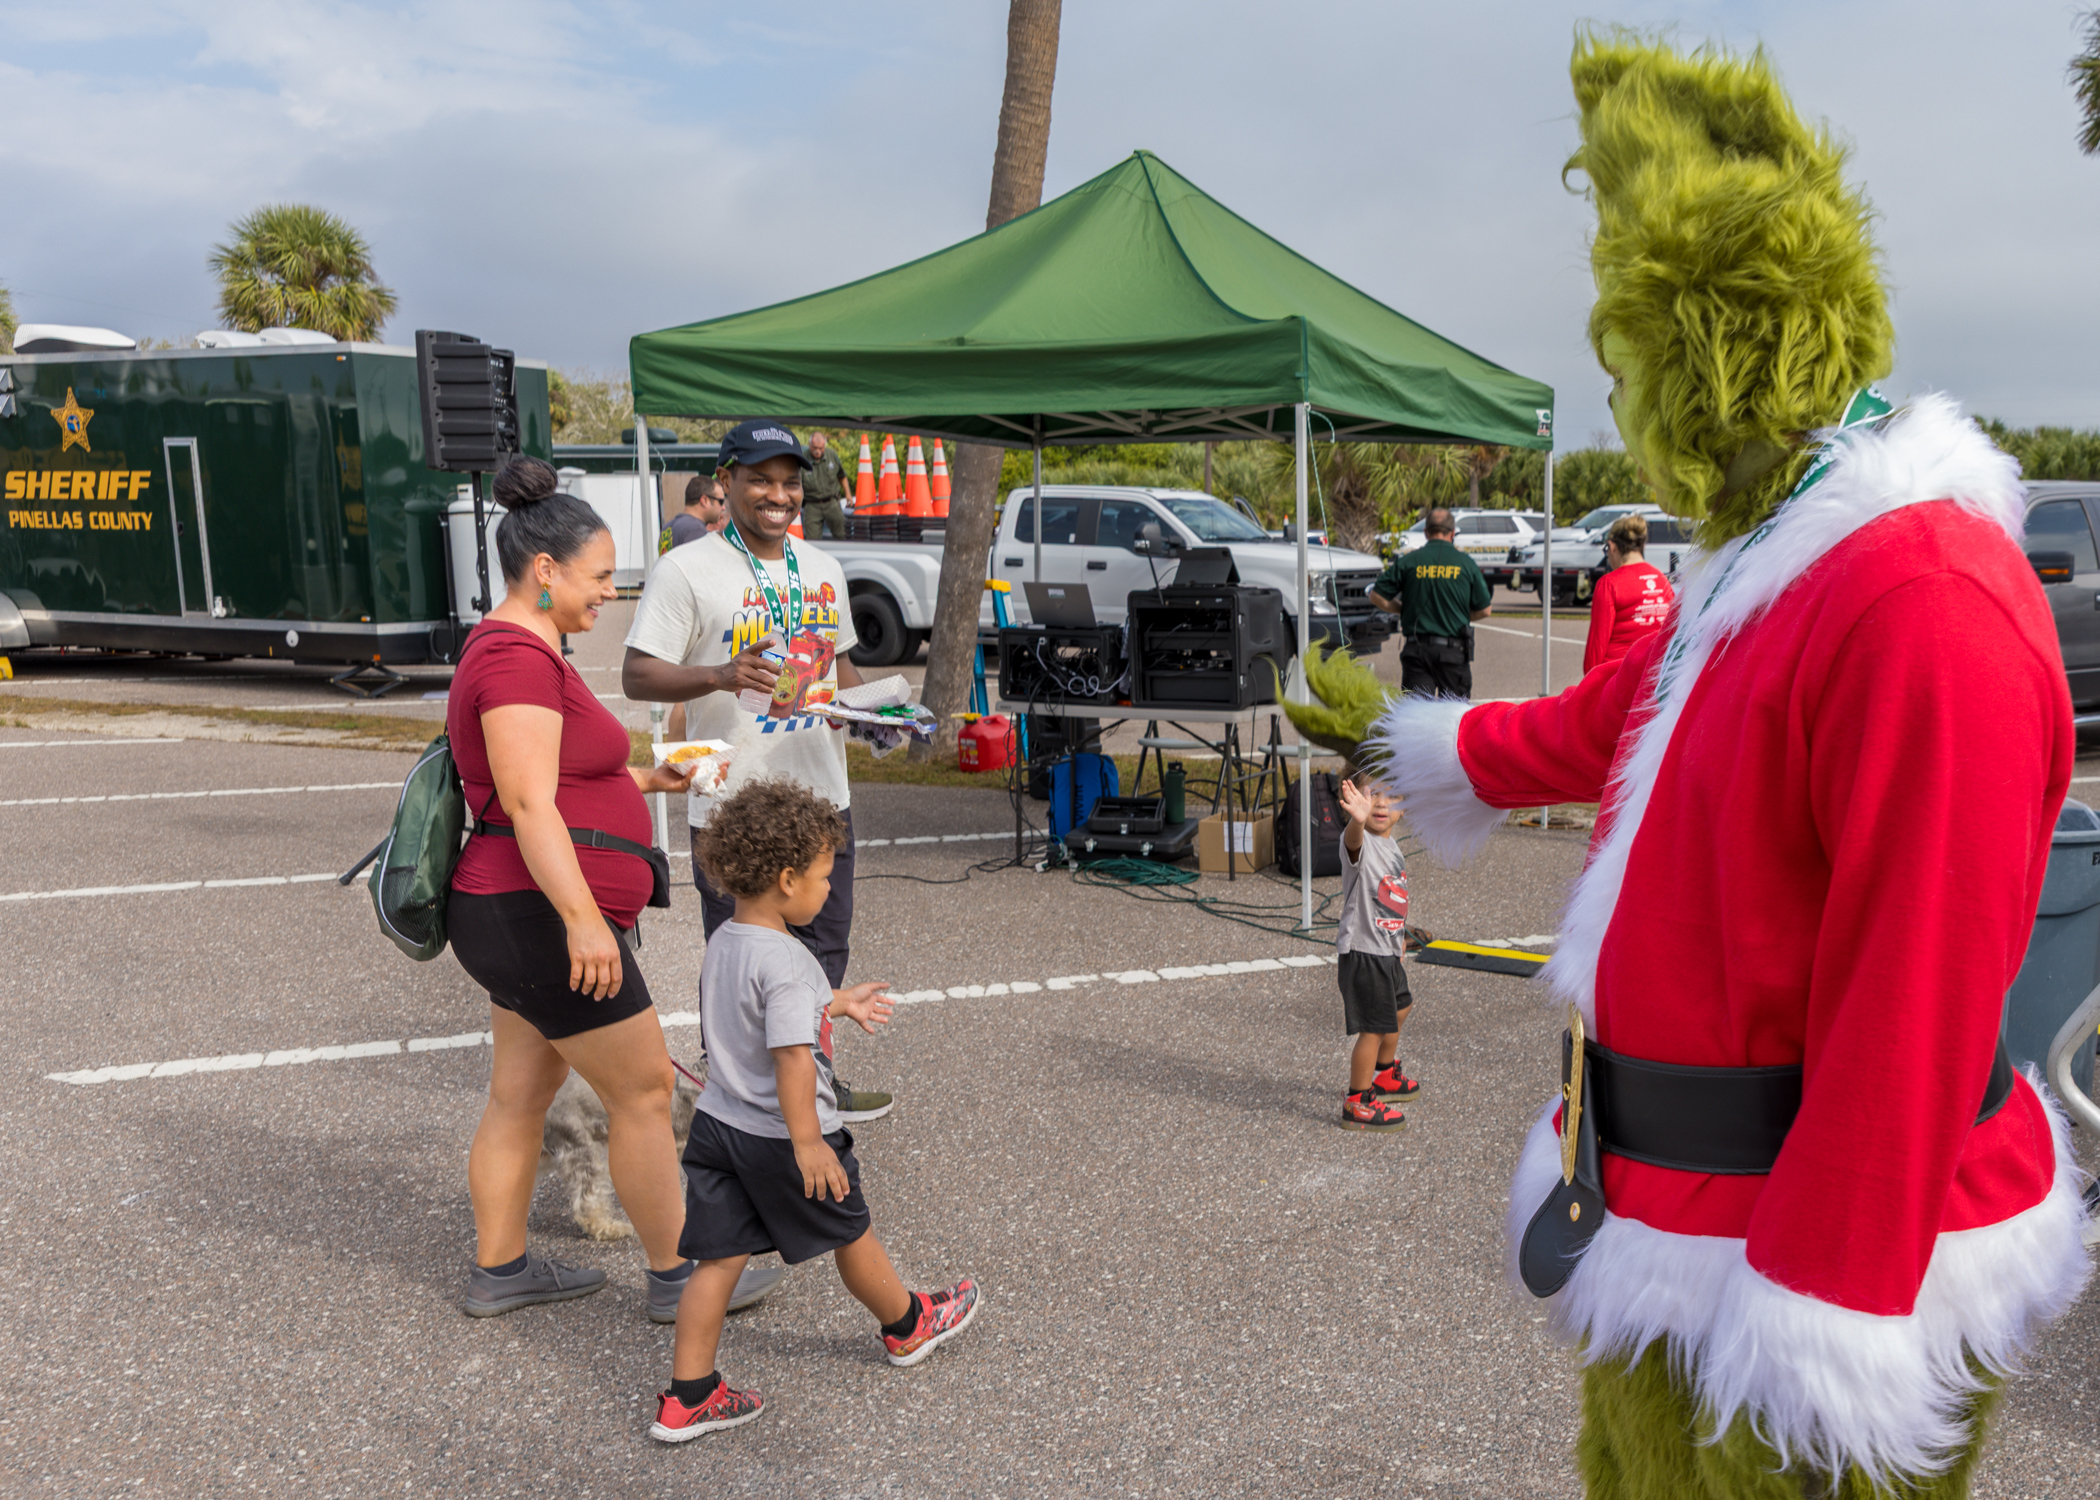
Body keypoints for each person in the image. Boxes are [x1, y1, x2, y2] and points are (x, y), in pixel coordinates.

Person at [1372, 38, 2089, 1497]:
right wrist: (1422, 750)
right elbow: (1620, 719)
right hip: (1663, 1216)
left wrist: (1820, 1318)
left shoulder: (1922, 597)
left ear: (1708, 353)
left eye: (1631, 357)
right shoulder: (1771, 556)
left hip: (1801, 1265)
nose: (1620, 393)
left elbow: (1918, 989)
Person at [444, 456, 782, 1323]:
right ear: (544, 569)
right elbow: (527, 803)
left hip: (513, 914)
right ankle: (681, 1277)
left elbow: (553, 779)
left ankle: (501, 1269)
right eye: (598, 577)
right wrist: (584, 922)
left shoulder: (518, 649)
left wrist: (648, 778)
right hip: (540, 917)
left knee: (519, 1095)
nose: (609, 593)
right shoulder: (516, 658)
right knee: (641, 1095)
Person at [650, 778, 978, 1442]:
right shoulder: (794, 962)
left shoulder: (727, 940)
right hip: (783, 1135)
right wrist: (808, 1143)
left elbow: (757, 1007)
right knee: (850, 1231)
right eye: (824, 877)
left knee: (718, 1261)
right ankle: (908, 1324)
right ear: (787, 879)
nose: (830, 888)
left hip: (720, 1128)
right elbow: (793, 1056)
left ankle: (689, 1396)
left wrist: (835, 1001)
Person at [622, 419, 895, 1122]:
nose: (779, 495)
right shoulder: (687, 568)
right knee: (741, 963)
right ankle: (734, 1103)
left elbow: (841, 668)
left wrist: (876, 714)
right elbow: (637, 674)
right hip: (733, 804)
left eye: (790, 482)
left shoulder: (823, 567)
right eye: (761, 480)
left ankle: (814, 1084)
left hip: (821, 797)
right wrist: (718, 674)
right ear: (726, 482)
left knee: (822, 953)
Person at [1334, 774, 1416, 1133]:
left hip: (1386, 949)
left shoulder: (1392, 846)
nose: (1382, 803)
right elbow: (1353, 841)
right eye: (1374, 794)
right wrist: (1357, 820)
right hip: (1364, 952)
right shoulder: (1361, 841)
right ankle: (1358, 1101)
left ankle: (1383, 1073)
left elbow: (1393, 897)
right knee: (1373, 1029)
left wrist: (1400, 935)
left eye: (1393, 795)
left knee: (1401, 1007)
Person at [1368, 508, 1492, 698]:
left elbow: (1376, 595)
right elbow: (1485, 610)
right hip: (1453, 653)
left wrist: (1402, 609)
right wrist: (1456, 615)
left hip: (1417, 652)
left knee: (1417, 712)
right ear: (1453, 533)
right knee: (1452, 713)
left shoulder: (1409, 561)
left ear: (1426, 532)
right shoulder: (1466, 564)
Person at [1580, 513, 1674, 673]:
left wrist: (1590, 681)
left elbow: (1596, 648)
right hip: (1653, 675)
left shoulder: (1609, 583)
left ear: (1612, 547)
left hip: (1616, 675)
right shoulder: (1662, 580)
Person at [799, 430, 850, 540]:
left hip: (831, 502)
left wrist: (848, 494)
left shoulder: (832, 455)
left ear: (824, 446)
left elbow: (842, 476)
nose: (817, 451)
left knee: (841, 535)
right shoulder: (802, 458)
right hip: (812, 504)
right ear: (809, 445)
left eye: (820, 448)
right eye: (814, 448)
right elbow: (797, 484)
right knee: (813, 539)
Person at [662, 471, 727, 555]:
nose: (723, 507)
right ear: (704, 500)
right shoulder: (695, 529)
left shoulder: (667, 527)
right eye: (721, 501)